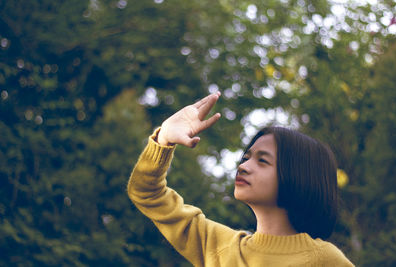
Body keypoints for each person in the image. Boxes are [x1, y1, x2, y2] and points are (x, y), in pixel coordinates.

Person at [127, 92, 354, 266]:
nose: (244, 166)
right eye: (246, 158)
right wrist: (164, 140)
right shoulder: (219, 246)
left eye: (262, 161)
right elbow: (147, 193)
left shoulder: (324, 259)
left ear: (299, 176)